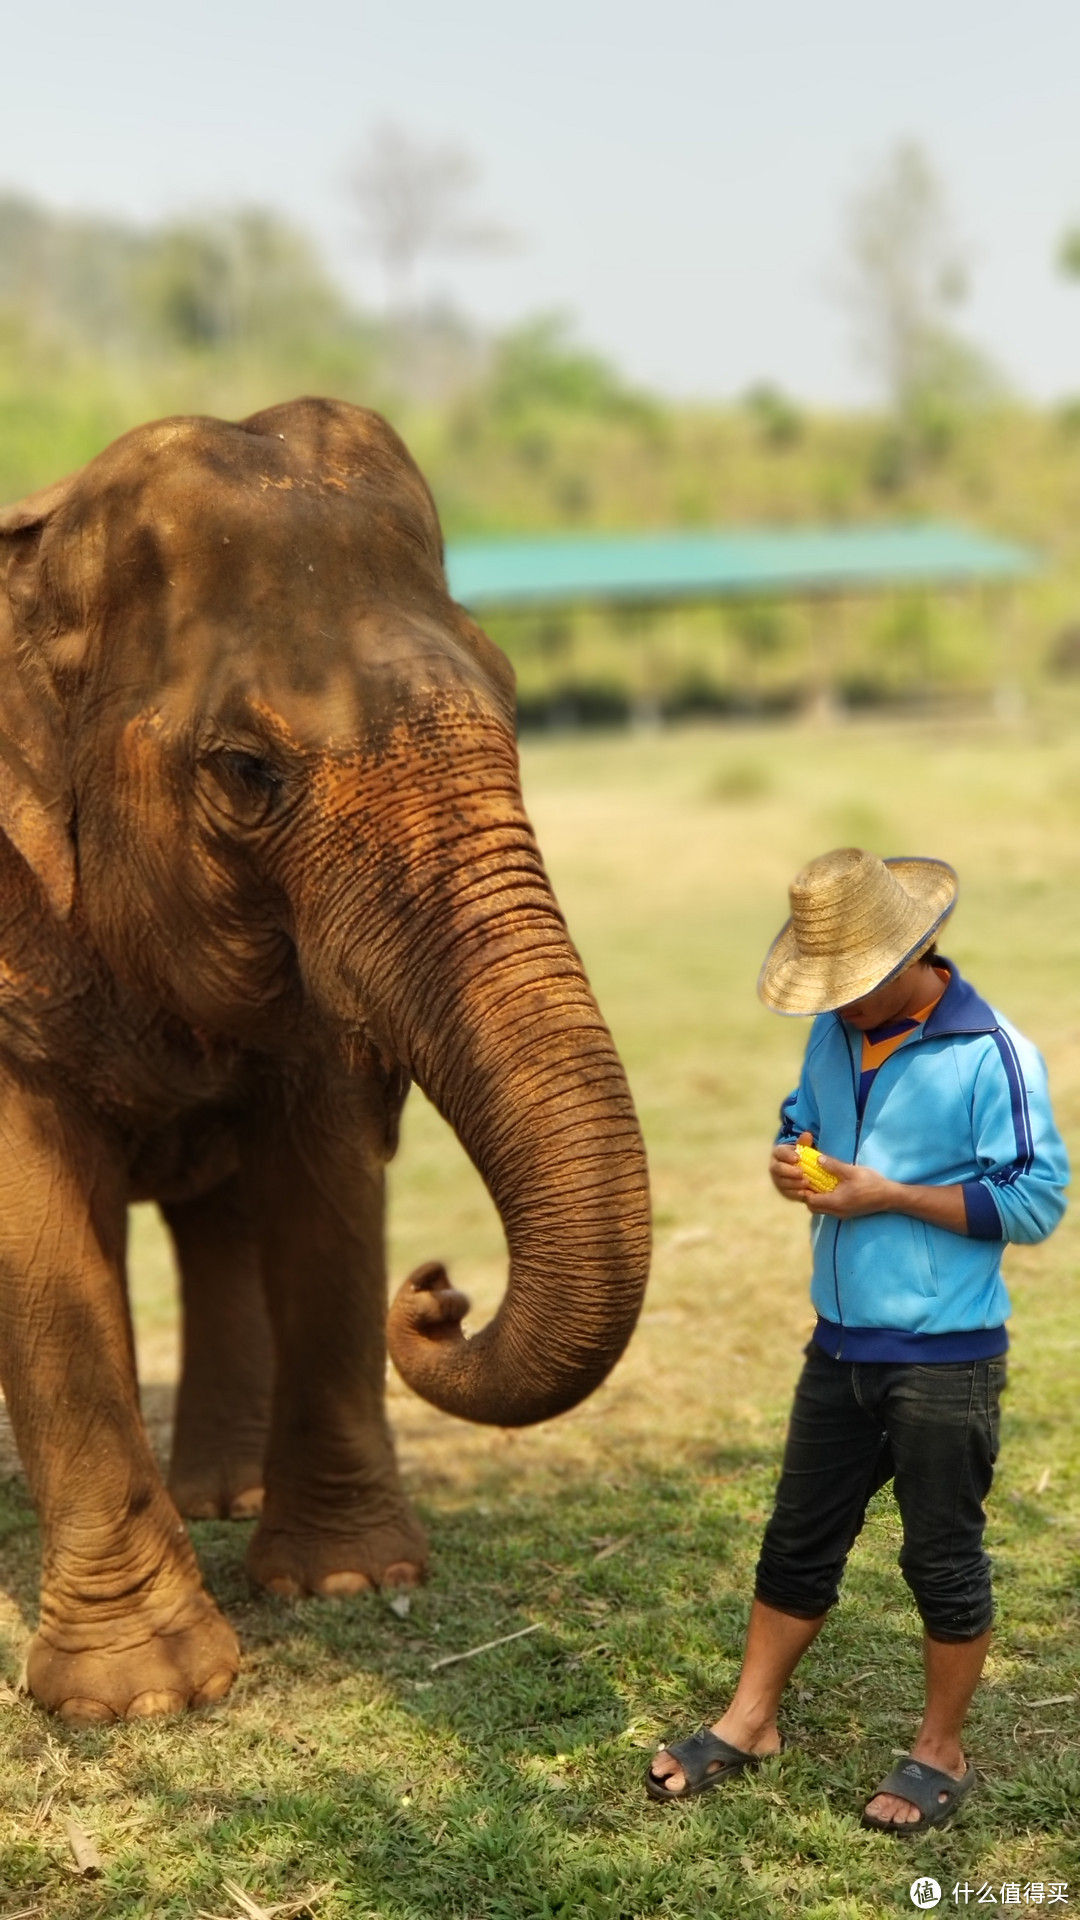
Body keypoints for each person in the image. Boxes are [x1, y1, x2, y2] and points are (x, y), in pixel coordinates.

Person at [646, 847, 1069, 1833]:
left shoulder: (992, 1052)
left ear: (910, 956)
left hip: (944, 1362)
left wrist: (890, 1196)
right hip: (837, 1346)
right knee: (797, 1540)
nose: (834, 1006)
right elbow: (804, 1121)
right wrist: (790, 1163)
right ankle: (750, 1721)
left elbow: (1038, 1200)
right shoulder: (835, 1037)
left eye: (849, 987)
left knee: (941, 1557)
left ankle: (939, 1750)